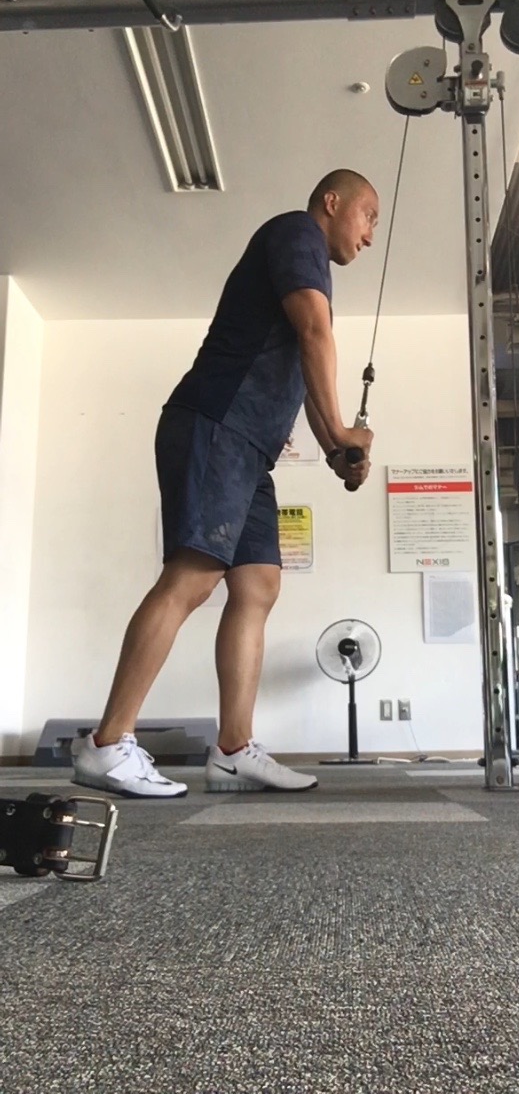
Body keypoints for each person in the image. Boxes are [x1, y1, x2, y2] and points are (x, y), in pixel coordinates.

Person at [71, 168, 378, 799]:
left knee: (259, 584)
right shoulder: (296, 234)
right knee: (194, 576)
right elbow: (314, 333)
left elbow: (305, 367)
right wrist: (343, 429)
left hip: (251, 449)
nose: (370, 235)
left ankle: (234, 751)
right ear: (331, 202)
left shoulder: (307, 265)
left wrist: (335, 449)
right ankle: (107, 743)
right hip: (218, 424)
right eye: (368, 216)